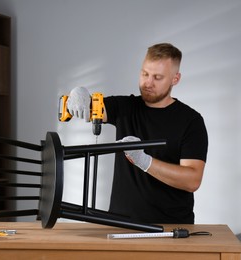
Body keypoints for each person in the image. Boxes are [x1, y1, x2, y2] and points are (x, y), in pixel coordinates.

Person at [66, 43, 208, 224]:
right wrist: (77, 95)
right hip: (120, 225)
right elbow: (88, 107)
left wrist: (144, 161)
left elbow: (192, 180)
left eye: (157, 77)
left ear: (175, 79)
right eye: (145, 74)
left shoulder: (191, 121)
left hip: (171, 228)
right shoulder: (125, 107)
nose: (148, 83)